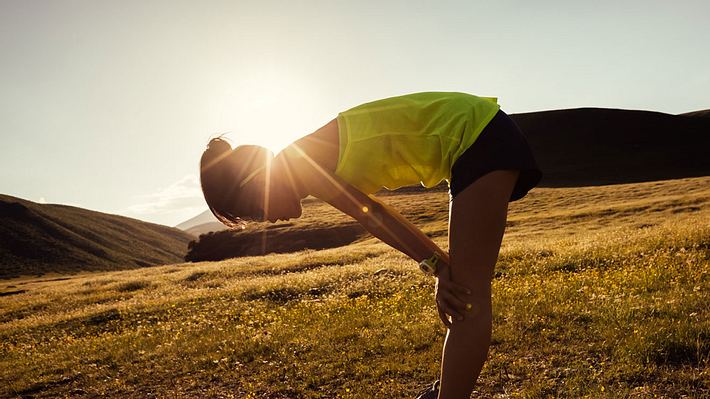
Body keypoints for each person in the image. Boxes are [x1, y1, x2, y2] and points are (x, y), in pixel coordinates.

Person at [199, 91, 542, 399]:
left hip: (477, 136)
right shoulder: (302, 158)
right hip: (474, 138)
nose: (270, 220)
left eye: (259, 210)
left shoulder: (300, 164)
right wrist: (439, 265)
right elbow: (375, 213)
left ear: (258, 180)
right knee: (464, 291)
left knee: (467, 297)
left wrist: (439, 268)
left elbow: (372, 214)